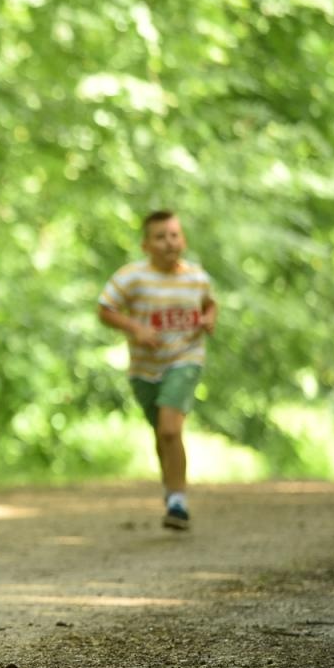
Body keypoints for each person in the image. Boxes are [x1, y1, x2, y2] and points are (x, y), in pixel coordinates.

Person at [98, 210, 217, 530]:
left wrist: (209, 319)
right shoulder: (132, 277)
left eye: (174, 235)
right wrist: (134, 327)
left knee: (169, 429)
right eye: (160, 237)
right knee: (162, 433)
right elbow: (105, 308)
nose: (169, 243)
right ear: (145, 245)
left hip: (185, 358)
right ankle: (171, 489)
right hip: (144, 368)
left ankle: (178, 501)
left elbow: (209, 302)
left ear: (184, 240)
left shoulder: (195, 277)